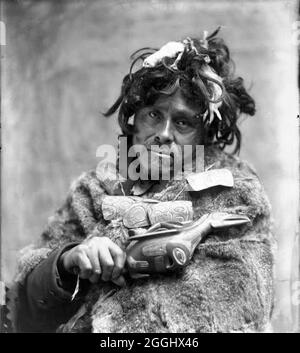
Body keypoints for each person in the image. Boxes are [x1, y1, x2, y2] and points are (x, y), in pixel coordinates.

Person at [8, 28, 275, 333]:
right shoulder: (94, 190)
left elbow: (232, 310)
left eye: (183, 122)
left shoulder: (235, 197)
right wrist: (69, 260)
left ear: (204, 136)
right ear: (135, 118)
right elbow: (24, 309)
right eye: (153, 114)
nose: (163, 133)